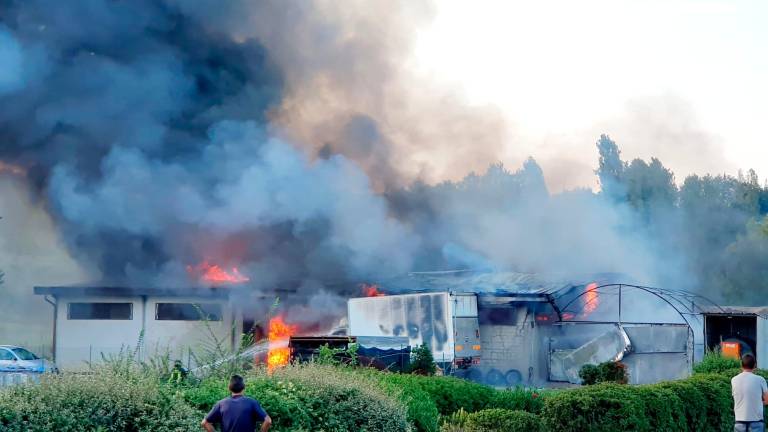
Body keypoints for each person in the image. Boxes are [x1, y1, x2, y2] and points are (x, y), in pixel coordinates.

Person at [201, 375, 272, 432]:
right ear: (244, 387)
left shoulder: (221, 404)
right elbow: (268, 421)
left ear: (229, 388)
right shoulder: (252, 402)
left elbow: (204, 423)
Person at [732, 353, 768, 432]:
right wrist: (757, 401)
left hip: (739, 420)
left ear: (741, 365)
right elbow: (767, 401)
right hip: (756, 421)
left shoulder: (734, 380)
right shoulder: (760, 380)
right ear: (755, 365)